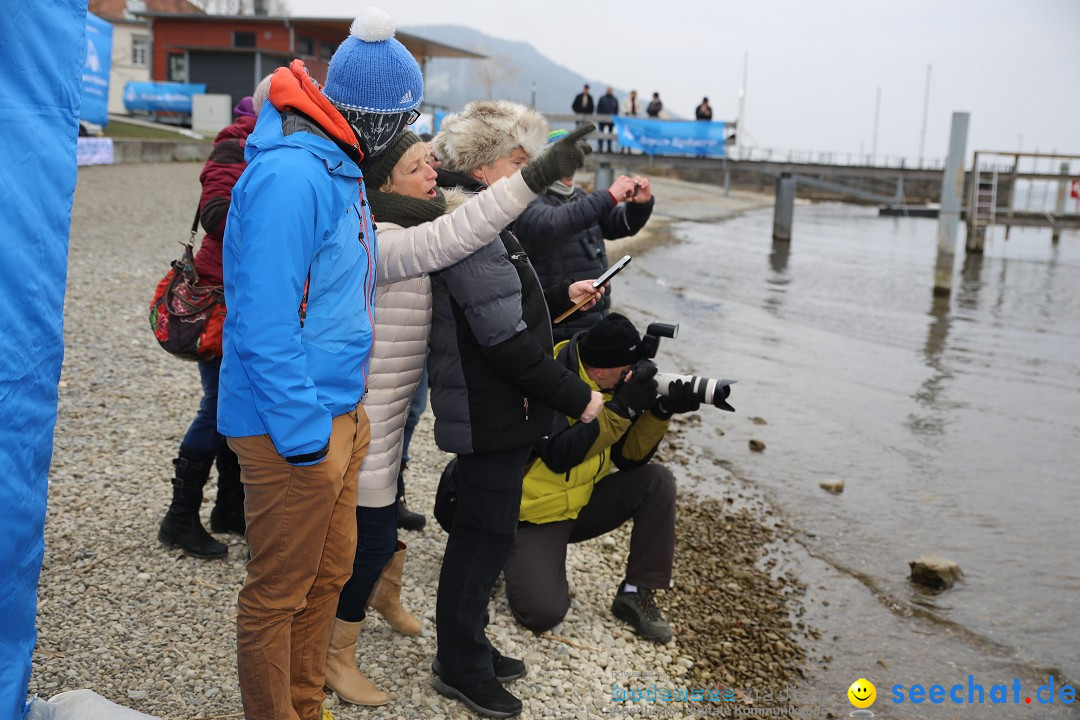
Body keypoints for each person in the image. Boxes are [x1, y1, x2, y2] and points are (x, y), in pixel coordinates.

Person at [324, 125, 596, 706]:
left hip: (395, 414)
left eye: (432, 165)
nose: (433, 175)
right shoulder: (386, 238)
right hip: (369, 413)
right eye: (419, 167)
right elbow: (494, 319)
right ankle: (337, 654)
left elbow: (494, 305)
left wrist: (561, 301)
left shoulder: (421, 224)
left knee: (407, 531)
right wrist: (578, 396)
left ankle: (426, 625)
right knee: (392, 539)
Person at [217, 9, 423, 720]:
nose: (408, 133)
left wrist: (347, 417)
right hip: (291, 426)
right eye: (404, 119)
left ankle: (307, 706)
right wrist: (306, 434)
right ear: (373, 117)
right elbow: (261, 324)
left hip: (338, 412)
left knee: (329, 574)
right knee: (277, 593)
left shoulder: (340, 164)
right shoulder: (293, 178)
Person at [428, 100, 605, 718]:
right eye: (518, 161)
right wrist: (579, 396)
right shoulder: (471, 229)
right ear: (482, 168)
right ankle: (460, 666)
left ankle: (467, 642)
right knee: (481, 538)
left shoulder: (479, 220)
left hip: (498, 406)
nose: (529, 175)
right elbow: (502, 342)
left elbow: (509, 314)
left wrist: (562, 297)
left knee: (491, 532)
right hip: (489, 409)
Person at [503, 313, 702, 644]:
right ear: (597, 370)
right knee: (543, 613)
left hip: (580, 502)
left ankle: (635, 594)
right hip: (531, 515)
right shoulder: (549, 377)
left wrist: (659, 412)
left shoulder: (612, 384)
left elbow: (628, 459)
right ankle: (502, 551)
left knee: (657, 481)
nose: (631, 377)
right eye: (627, 370)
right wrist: (622, 409)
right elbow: (559, 455)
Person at [157, 80, 270, 559]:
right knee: (219, 403)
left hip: (248, 293)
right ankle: (179, 518)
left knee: (236, 403)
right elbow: (215, 212)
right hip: (223, 292)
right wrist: (278, 215)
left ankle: (228, 507)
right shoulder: (236, 141)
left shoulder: (267, 143)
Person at [514, 140, 654, 343]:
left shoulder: (581, 197)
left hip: (594, 319)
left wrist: (641, 205)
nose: (570, 170)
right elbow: (553, 223)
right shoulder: (528, 200)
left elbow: (621, 225)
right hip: (559, 326)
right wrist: (608, 197)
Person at [595, 86, 618, 153]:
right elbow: (598, 109)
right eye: (609, 90)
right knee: (600, 134)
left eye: (611, 90)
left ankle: (609, 148)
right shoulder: (602, 98)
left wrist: (614, 119)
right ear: (606, 90)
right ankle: (600, 147)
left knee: (610, 135)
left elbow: (616, 110)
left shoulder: (614, 99)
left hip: (611, 121)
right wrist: (599, 118)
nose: (610, 91)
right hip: (602, 120)